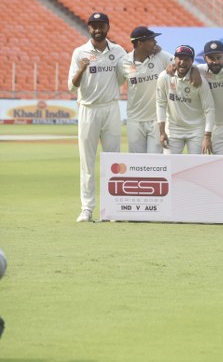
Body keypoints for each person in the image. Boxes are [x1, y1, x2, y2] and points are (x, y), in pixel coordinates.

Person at [68, 12, 126, 223]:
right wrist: (83, 68)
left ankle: (112, 209)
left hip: (110, 108)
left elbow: (123, 77)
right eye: (94, 26)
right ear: (89, 28)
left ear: (107, 27)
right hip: (88, 109)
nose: (97, 29)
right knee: (88, 162)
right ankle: (87, 208)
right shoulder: (79, 52)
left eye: (101, 25)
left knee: (113, 161)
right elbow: (71, 85)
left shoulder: (119, 51)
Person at [120, 26, 173, 154]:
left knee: (155, 162)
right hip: (134, 120)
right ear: (140, 43)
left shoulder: (162, 56)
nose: (155, 43)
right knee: (136, 162)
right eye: (151, 40)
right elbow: (114, 83)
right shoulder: (123, 62)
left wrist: (174, 66)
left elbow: (181, 62)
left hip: (157, 120)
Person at [157, 45, 215, 155]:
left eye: (187, 59)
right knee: (170, 165)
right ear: (174, 59)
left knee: (196, 166)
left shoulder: (200, 81)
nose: (183, 62)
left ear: (192, 61)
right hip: (173, 128)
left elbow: (209, 109)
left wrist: (207, 136)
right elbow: (160, 104)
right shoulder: (165, 76)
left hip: (196, 129)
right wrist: (162, 131)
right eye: (180, 58)